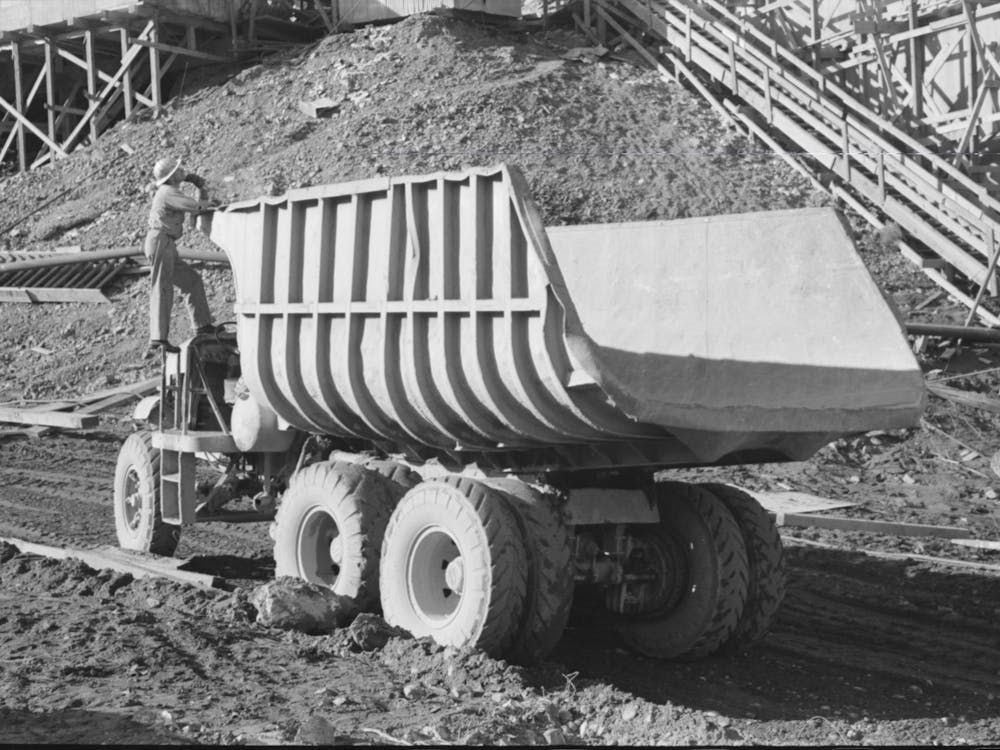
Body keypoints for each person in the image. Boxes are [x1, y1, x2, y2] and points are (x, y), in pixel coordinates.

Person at [145, 156, 220, 352]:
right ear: (171, 176)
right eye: (178, 170)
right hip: (161, 241)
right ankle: (158, 338)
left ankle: (202, 325)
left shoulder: (170, 191)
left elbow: (196, 207)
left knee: (191, 281)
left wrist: (202, 190)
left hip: (166, 242)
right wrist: (203, 190)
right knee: (162, 287)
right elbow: (198, 207)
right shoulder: (168, 192)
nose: (183, 171)